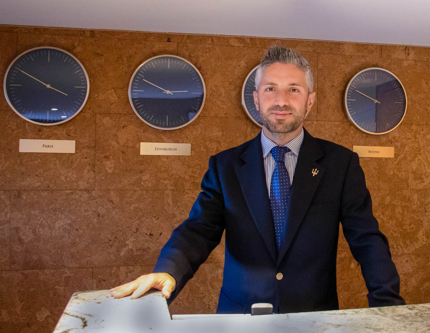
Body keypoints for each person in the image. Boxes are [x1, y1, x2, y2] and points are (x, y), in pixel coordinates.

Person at [111, 46, 405, 313]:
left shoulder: (340, 164)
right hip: (239, 318)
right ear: (256, 98)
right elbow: (199, 230)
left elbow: (366, 239)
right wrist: (169, 270)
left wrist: (387, 303)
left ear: (310, 101)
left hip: (314, 317)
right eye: (270, 89)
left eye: (293, 89)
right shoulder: (224, 166)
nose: (281, 100)